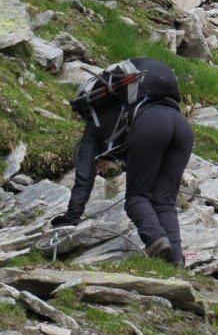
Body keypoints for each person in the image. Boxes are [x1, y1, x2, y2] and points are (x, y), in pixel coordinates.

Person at [53, 57, 194, 265]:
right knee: (164, 202)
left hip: (151, 123)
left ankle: (156, 240)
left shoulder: (93, 127)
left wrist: (71, 218)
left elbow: (84, 178)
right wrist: (108, 157)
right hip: (181, 125)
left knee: (137, 198)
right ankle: (176, 259)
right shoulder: (127, 107)